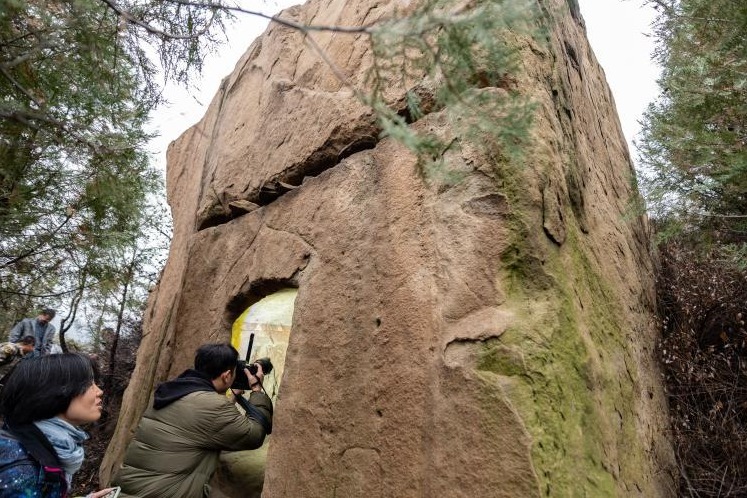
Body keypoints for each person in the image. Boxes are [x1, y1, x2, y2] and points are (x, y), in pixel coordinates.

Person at [113, 343, 273, 498]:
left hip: (130, 490)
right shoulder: (212, 407)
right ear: (227, 376)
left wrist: (232, 397)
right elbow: (254, 434)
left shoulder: (171, 392)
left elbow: (196, 426)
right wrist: (257, 390)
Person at [0, 353, 116, 497]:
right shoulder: (23, 471)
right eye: (88, 384)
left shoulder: (37, 443)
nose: (100, 391)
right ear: (52, 392)